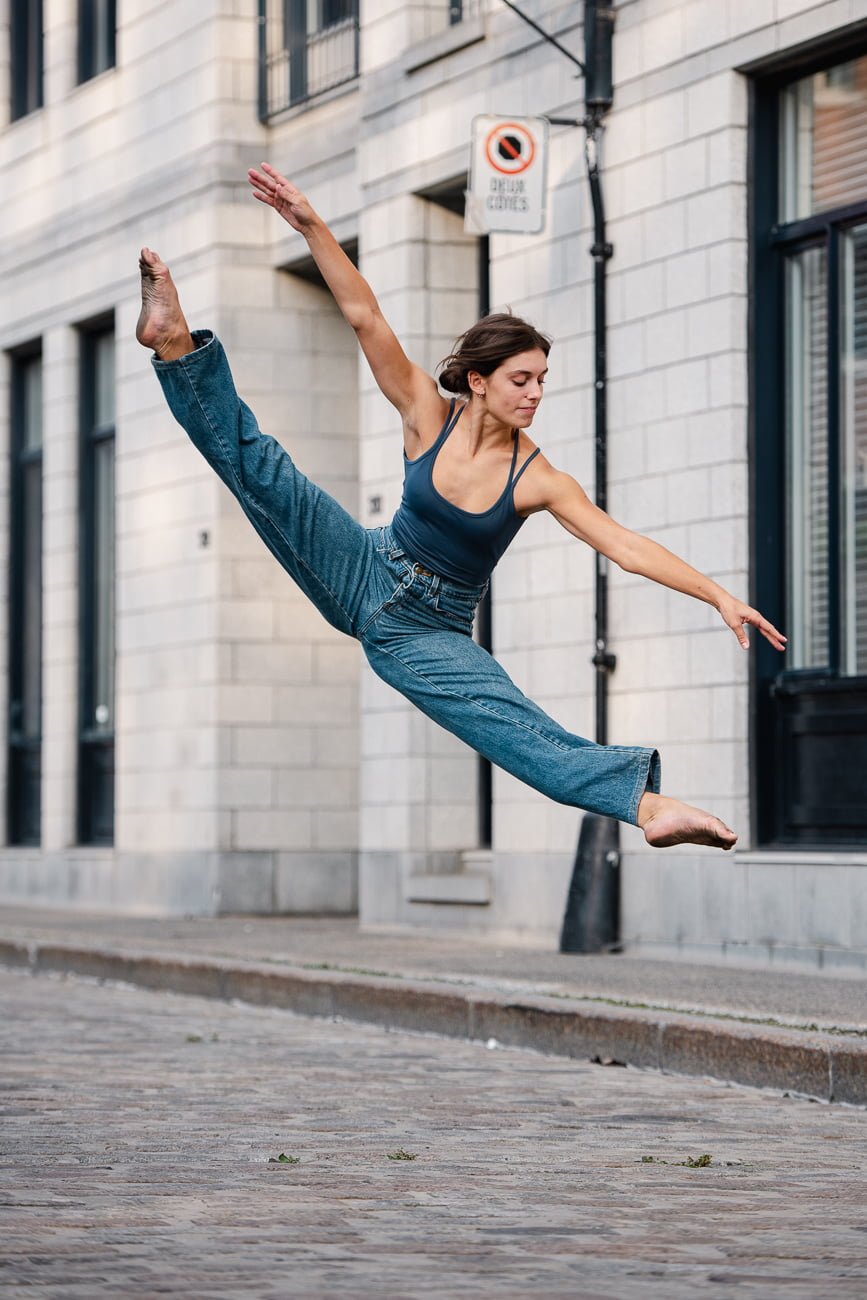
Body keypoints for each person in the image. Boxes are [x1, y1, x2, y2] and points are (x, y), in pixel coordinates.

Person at [136, 161, 786, 851]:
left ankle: (647, 805)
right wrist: (311, 225)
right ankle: (176, 345)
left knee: (510, 725)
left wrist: (716, 595)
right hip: (363, 565)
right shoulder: (425, 412)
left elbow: (623, 546)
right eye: (520, 378)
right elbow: (364, 317)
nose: (534, 393)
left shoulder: (538, 479)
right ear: (478, 381)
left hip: (428, 630)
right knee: (264, 475)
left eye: (541, 380)